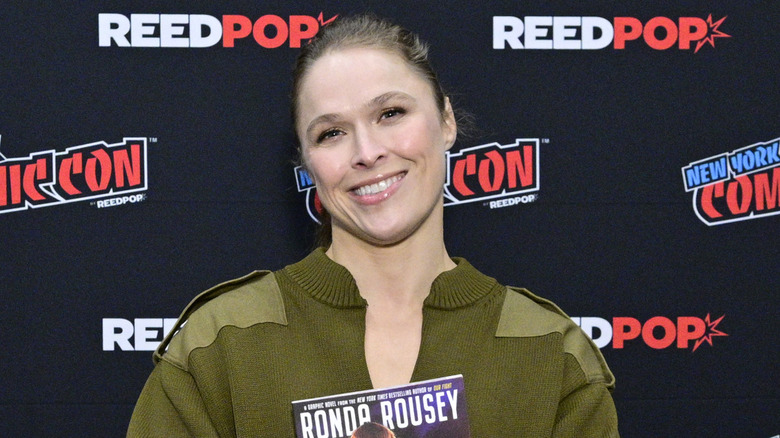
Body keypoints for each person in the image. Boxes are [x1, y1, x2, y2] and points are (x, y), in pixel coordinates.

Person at [127, 14, 619, 437]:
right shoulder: (219, 345)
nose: (367, 153)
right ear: (307, 163)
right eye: (332, 133)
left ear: (446, 120)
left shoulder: (550, 352)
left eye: (391, 113)